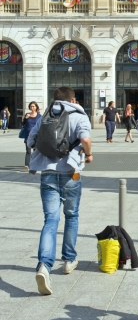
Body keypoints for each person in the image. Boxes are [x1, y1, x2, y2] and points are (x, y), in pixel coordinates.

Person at [27, 86, 92, 295]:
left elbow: (31, 141)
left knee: (50, 220)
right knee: (71, 216)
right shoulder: (79, 115)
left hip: (47, 173)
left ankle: (44, 266)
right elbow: (85, 140)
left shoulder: (45, 114)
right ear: (73, 99)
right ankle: (68, 260)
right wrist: (88, 155)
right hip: (70, 173)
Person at [22, 102, 42, 170]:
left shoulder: (39, 116)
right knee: (28, 151)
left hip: (36, 136)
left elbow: (41, 125)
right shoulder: (27, 115)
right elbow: (23, 124)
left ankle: (35, 164)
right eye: (31, 106)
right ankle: (27, 165)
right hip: (28, 136)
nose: (32, 108)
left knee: (35, 151)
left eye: (33, 106)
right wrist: (25, 118)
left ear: (36, 107)